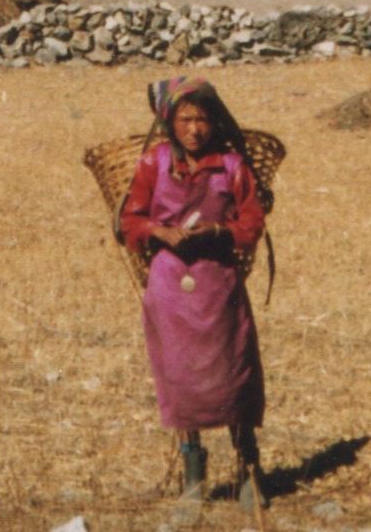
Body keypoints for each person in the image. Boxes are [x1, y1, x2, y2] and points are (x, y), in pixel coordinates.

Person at [119, 77, 269, 507]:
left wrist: (220, 230)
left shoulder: (232, 166)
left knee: (232, 374)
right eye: (185, 119)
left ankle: (248, 468)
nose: (195, 129)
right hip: (170, 288)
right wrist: (158, 231)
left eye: (202, 119)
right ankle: (193, 477)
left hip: (218, 285)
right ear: (171, 121)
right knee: (182, 379)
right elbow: (129, 221)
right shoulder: (154, 164)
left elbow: (253, 223)